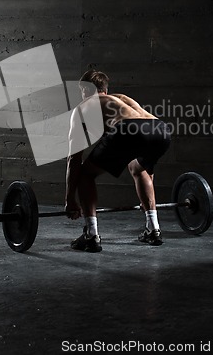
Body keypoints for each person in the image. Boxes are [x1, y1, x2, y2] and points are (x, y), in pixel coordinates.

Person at [65, 70, 171, 252]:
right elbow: (143, 136)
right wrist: (147, 201)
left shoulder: (83, 107)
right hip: (160, 130)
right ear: (105, 90)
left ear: (84, 89)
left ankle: (91, 234)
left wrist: (70, 200)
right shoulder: (122, 99)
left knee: (85, 173)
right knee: (139, 168)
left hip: (129, 129)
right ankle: (153, 228)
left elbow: (74, 158)